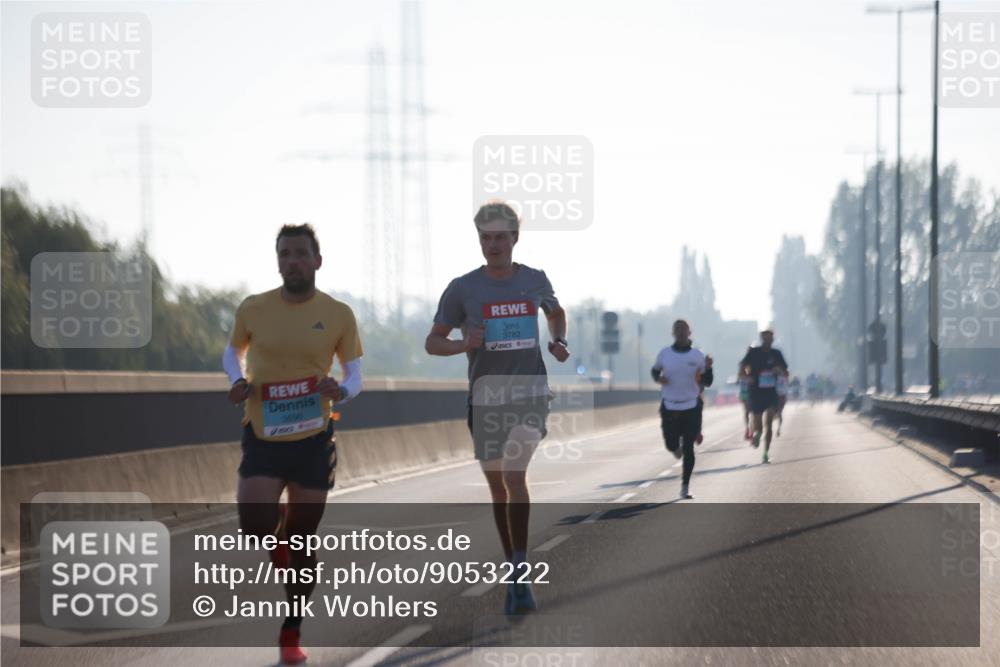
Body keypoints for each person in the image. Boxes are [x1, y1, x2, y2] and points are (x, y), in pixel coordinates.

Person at [223, 223, 363, 665]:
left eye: (301, 253)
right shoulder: (254, 308)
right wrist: (237, 380)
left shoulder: (337, 313)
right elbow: (232, 352)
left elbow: (356, 374)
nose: (293, 261)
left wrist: (341, 389)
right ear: (277, 260)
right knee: (252, 522)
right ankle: (276, 524)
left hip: (312, 438)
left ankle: (292, 628)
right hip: (264, 432)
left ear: (317, 260)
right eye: (285, 254)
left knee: (302, 541)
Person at [425, 201, 569, 616]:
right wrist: (461, 344)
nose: (492, 245)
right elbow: (432, 341)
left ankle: (520, 569)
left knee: (513, 472)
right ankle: (515, 568)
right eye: (485, 238)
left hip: (529, 394)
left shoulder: (534, 280)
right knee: (497, 488)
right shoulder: (463, 288)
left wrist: (557, 340)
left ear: (514, 238)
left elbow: (556, 312)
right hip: (484, 398)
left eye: (500, 237)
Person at [651, 319, 713, 499]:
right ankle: (674, 448)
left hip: (691, 405)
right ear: (673, 333)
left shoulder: (697, 355)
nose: (681, 332)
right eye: (677, 329)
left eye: (684, 329)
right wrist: (658, 378)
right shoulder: (665, 354)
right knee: (671, 444)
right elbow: (655, 371)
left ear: (689, 332)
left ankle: (685, 486)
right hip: (669, 404)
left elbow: (707, 381)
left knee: (688, 448)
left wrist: (708, 367)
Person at [738, 329, 788, 464]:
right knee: (758, 424)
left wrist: (780, 371)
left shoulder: (776, 353)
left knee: (769, 423)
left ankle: (765, 453)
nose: (767, 340)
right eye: (765, 338)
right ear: (761, 338)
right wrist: (745, 376)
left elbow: (786, 371)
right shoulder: (754, 352)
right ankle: (757, 435)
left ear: (773, 339)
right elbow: (742, 365)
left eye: (770, 338)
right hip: (755, 392)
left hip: (771, 392)